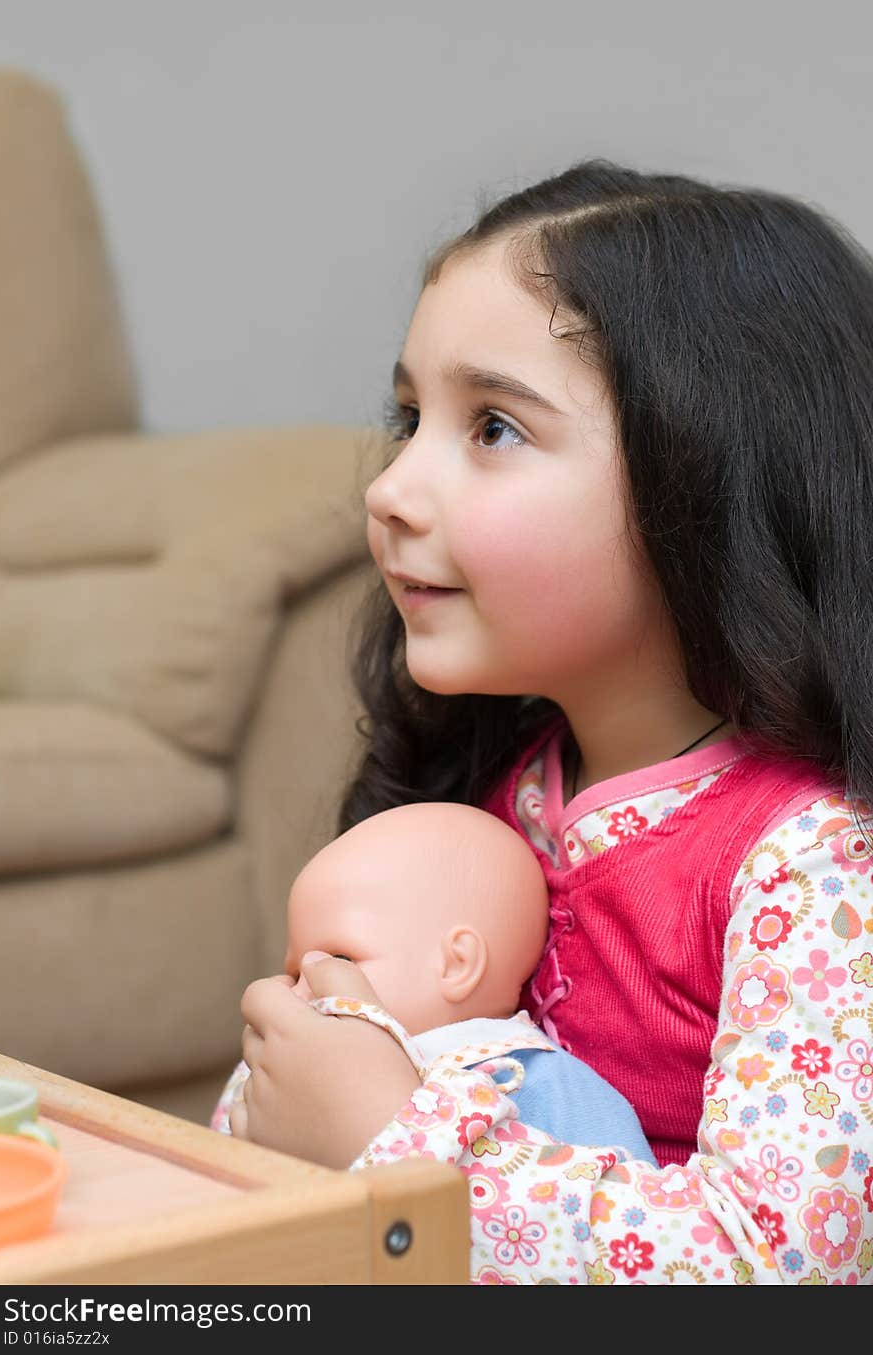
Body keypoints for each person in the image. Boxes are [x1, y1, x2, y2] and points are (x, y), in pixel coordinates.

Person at [229, 159, 873, 1285]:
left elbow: (781, 1263)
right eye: (408, 417)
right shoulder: (502, 788)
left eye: (491, 426)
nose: (388, 487)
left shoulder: (813, 862)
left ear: (707, 475)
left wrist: (398, 1150)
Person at [214, 800, 653, 1164]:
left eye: (342, 958)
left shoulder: (533, 1082)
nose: (300, 992)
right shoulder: (291, 1053)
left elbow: (622, 1216)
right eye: (293, 973)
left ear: (457, 964)